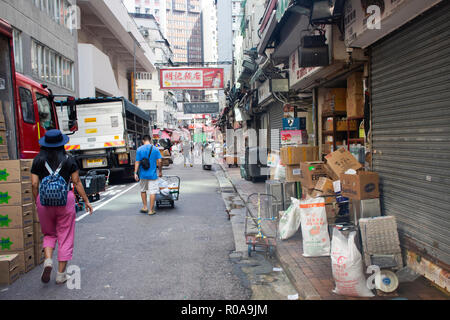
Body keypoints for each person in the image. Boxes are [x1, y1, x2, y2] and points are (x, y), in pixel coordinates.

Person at [31, 129, 93, 285]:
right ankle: (60, 275)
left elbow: (34, 183)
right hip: (65, 200)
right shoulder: (69, 160)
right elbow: (77, 182)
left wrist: (37, 200)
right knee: (65, 236)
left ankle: (48, 261)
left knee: (49, 234)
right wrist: (86, 200)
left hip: (44, 202)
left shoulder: (38, 160)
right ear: (61, 143)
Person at [134, 135, 163, 215]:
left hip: (143, 175)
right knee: (152, 192)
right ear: (150, 140)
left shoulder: (139, 149)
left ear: (143, 140)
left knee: (143, 190)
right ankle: (151, 210)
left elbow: (137, 162)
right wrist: (160, 171)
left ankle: (145, 207)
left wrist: (135, 173)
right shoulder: (155, 149)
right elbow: (160, 161)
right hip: (152, 175)